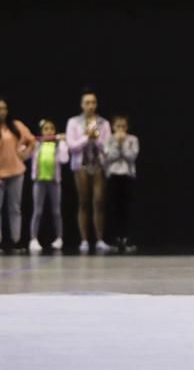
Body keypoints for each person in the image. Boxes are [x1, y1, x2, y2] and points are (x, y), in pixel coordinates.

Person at [66, 89, 112, 254]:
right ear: (81, 104)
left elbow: (108, 146)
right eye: (87, 103)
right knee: (84, 202)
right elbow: (71, 146)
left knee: (99, 202)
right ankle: (84, 240)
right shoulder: (73, 122)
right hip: (81, 165)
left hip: (98, 165)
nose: (91, 106)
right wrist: (86, 137)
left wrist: (96, 138)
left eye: (93, 102)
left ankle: (100, 239)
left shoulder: (103, 123)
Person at [27, 119, 69, 253]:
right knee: (37, 211)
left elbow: (64, 159)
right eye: (46, 129)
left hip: (54, 182)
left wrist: (62, 142)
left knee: (56, 212)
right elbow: (23, 153)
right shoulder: (37, 144)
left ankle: (59, 238)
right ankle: (33, 239)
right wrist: (28, 142)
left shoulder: (58, 145)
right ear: (41, 132)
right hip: (39, 181)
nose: (49, 131)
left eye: (52, 129)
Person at [0, 98, 36, 252]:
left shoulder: (16, 126)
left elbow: (32, 140)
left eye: (4, 108)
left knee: (15, 207)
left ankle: (16, 240)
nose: (2, 111)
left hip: (16, 171)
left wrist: (25, 155)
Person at [102, 115, 139, 253]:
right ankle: (115, 239)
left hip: (127, 175)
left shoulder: (133, 139)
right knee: (114, 208)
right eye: (118, 126)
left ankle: (126, 238)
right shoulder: (109, 139)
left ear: (127, 127)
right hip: (113, 175)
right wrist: (117, 144)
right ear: (113, 127)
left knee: (126, 208)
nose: (121, 129)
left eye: (123, 126)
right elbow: (109, 157)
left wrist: (123, 144)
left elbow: (131, 157)